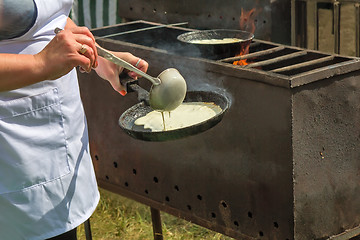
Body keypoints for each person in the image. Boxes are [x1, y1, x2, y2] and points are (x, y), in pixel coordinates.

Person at [0, 0, 148, 239]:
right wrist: (41, 63)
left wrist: (100, 58)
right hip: (9, 147)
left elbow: (50, 16)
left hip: (61, 130)